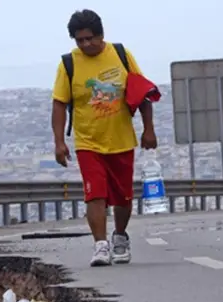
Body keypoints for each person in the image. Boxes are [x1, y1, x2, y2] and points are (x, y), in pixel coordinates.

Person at [51, 9, 157, 266]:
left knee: (123, 197)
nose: (86, 44)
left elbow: (141, 91)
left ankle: (120, 236)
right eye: (80, 40)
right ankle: (100, 244)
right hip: (88, 141)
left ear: (101, 35)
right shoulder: (69, 64)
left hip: (121, 139)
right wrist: (59, 142)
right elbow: (59, 104)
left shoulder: (120, 54)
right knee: (94, 193)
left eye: (90, 38)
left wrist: (149, 129)